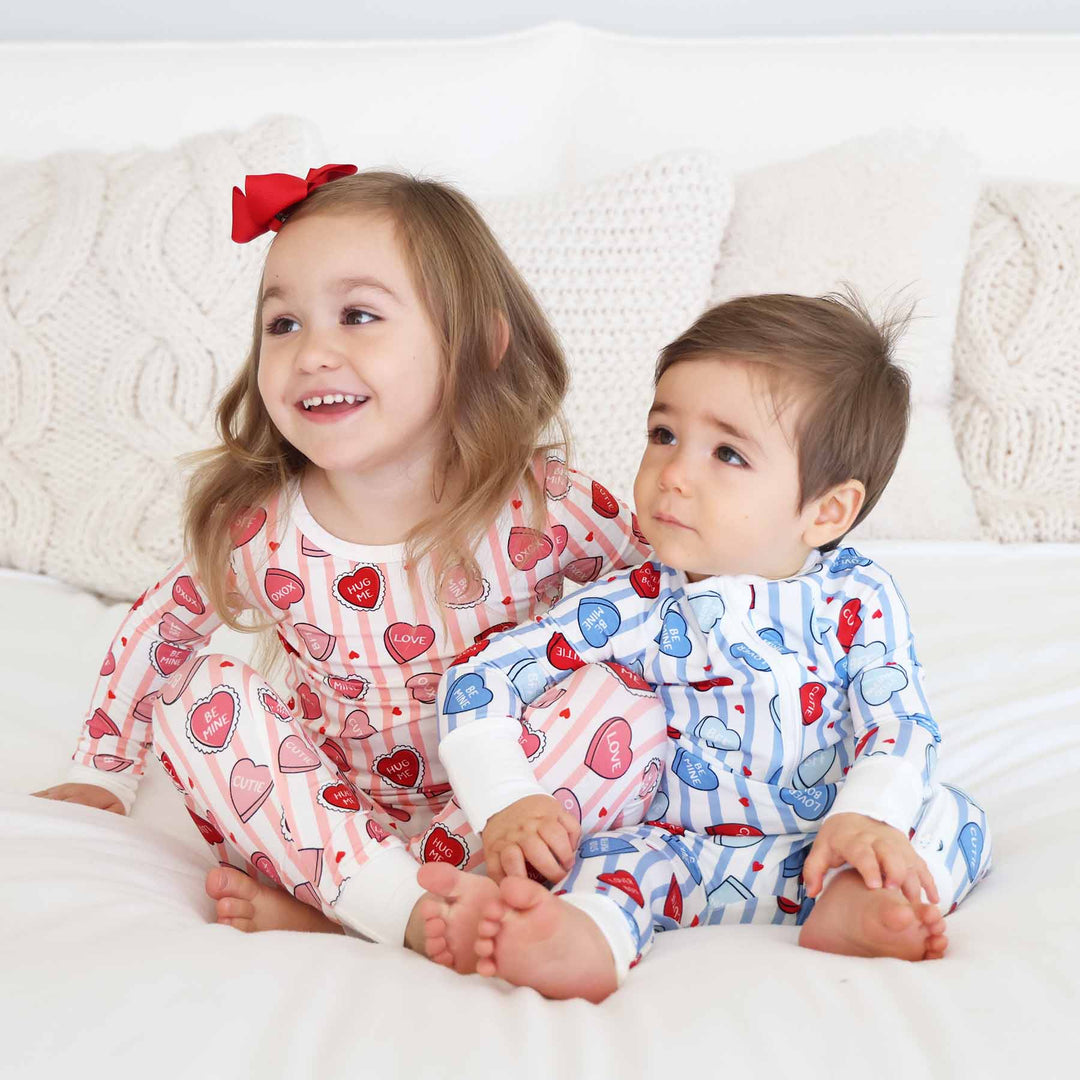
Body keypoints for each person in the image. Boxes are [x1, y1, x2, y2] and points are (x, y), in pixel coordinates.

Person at [32, 165, 661, 960]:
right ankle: (393, 907)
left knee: (630, 693)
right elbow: (164, 632)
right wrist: (103, 770)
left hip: (503, 796)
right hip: (332, 815)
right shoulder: (264, 528)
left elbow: (667, 600)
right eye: (283, 324)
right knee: (198, 695)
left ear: (476, 348)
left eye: (358, 315)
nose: (312, 353)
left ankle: (387, 908)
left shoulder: (547, 507)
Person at [421, 291, 993, 1001]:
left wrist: (865, 818)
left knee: (955, 816)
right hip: (684, 857)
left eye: (726, 452)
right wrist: (508, 800)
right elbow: (481, 681)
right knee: (607, 860)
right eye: (664, 435)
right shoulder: (636, 604)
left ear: (827, 510)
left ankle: (861, 902)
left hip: (827, 846)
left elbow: (899, 723)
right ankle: (578, 939)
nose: (675, 473)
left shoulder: (857, 598)